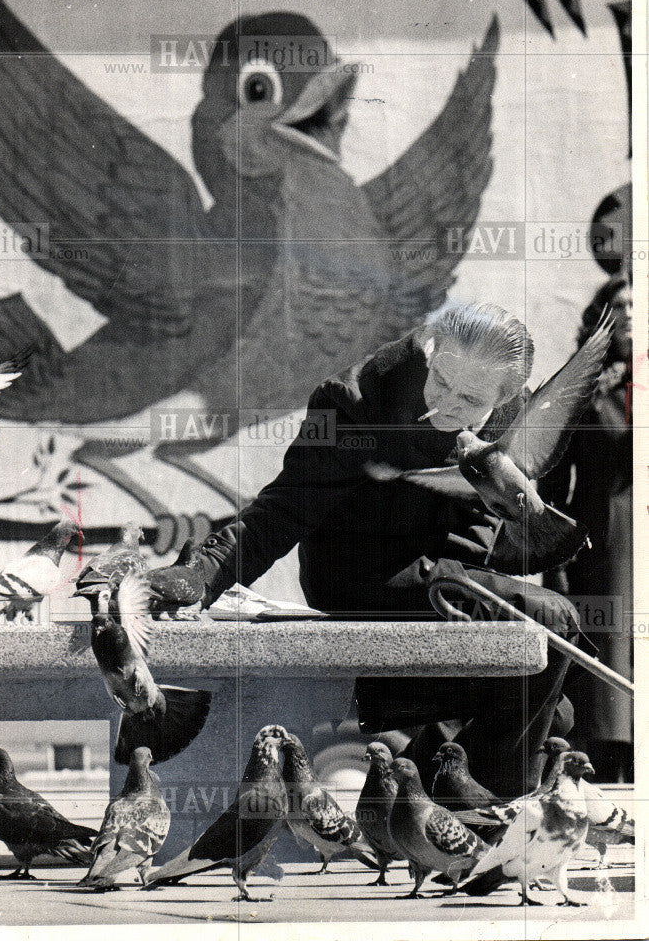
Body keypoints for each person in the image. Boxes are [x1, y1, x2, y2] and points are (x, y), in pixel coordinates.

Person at [177, 302, 582, 798]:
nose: (448, 406)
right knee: (549, 619)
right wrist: (203, 572)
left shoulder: (509, 417)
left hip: (443, 575)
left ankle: (398, 802)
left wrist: (476, 610)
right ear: (432, 352)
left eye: (470, 398)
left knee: (549, 702)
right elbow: (282, 511)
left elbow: (480, 525)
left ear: (507, 397)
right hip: (361, 577)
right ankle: (481, 821)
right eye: (441, 384)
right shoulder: (353, 401)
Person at [543, 277, 633, 782]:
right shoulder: (585, 388)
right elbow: (553, 483)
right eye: (617, 305)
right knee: (607, 672)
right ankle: (605, 782)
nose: (627, 314)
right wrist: (552, 562)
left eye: (636, 305)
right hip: (603, 547)